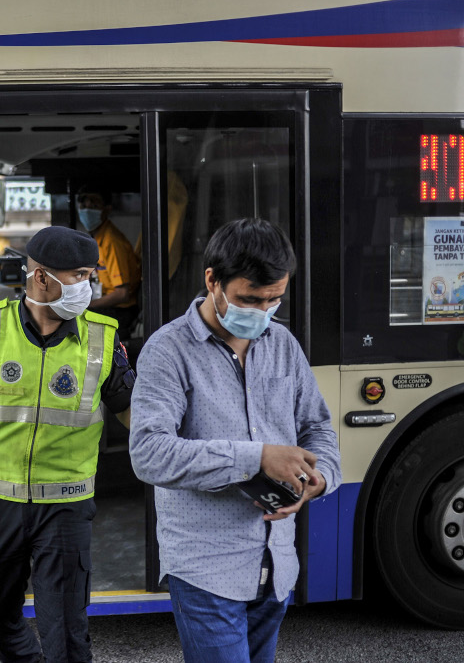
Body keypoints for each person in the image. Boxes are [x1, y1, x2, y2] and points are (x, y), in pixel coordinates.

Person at [0, 225, 136, 663]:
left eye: (91, 275)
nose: (88, 287)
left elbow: (137, 420)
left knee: (67, 633)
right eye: (79, 276)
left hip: (66, 505)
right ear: (41, 278)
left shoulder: (102, 339)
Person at [128, 218, 341, 663]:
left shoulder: (282, 343)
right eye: (250, 299)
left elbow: (318, 428)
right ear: (213, 280)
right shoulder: (168, 350)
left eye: (274, 300)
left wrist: (318, 480)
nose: (262, 312)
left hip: (277, 562)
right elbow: (148, 453)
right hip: (206, 566)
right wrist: (257, 457)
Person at [77, 187, 142, 337]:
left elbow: (122, 294)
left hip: (122, 310)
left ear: (106, 210)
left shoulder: (111, 241)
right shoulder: (97, 239)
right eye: (84, 206)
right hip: (109, 306)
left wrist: (87, 306)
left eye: (93, 206)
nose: (87, 210)